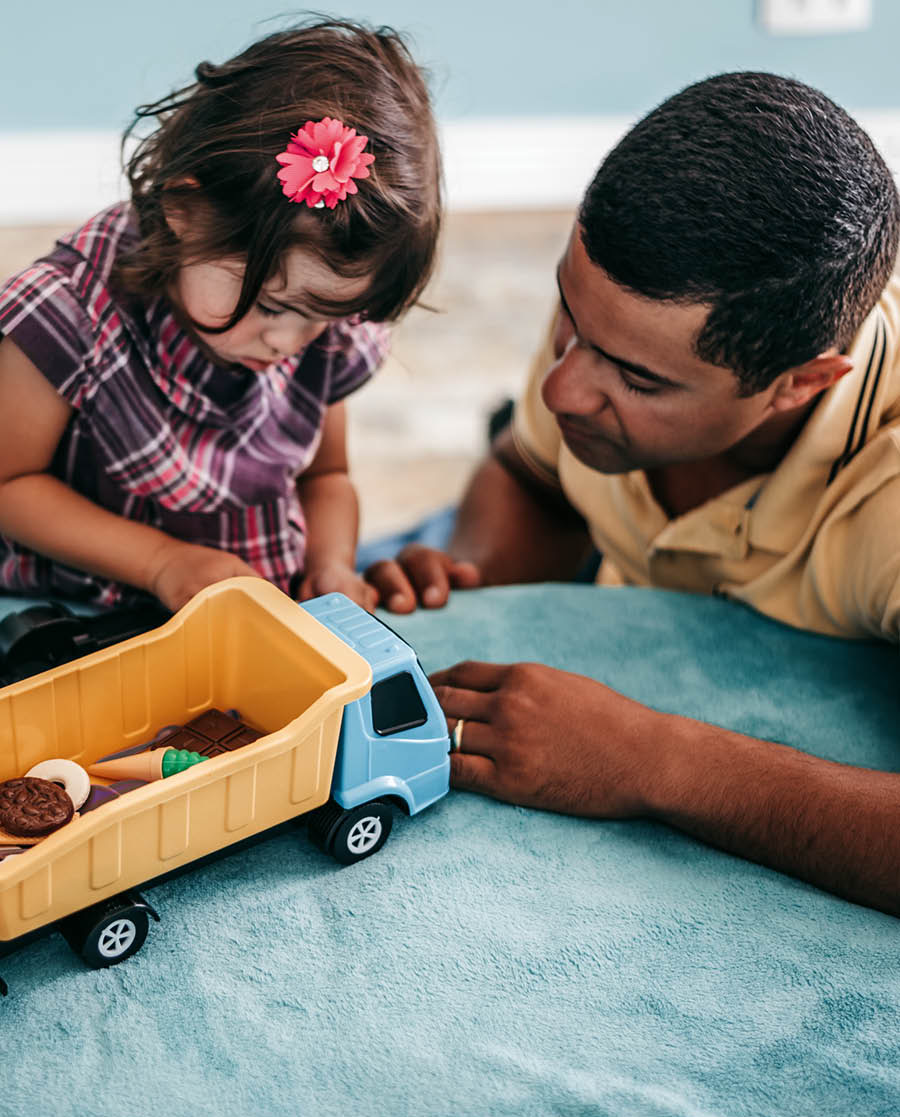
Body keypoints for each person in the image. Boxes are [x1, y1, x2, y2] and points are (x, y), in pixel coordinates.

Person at [364, 72, 900, 915]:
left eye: (638, 379)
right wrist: (470, 576)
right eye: (569, 320)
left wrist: (652, 759)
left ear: (799, 385)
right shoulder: (614, 324)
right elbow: (531, 475)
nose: (562, 391)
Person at [0, 19, 440, 613]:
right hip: (77, 610)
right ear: (185, 209)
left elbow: (325, 476)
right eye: (270, 304)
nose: (289, 340)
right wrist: (162, 562)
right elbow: (10, 485)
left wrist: (331, 563)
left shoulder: (319, 329)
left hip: (247, 610)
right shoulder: (68, 315)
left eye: (324, 316)